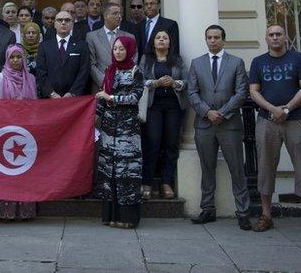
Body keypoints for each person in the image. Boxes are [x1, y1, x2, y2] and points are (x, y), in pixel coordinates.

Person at [248, 25, 301, 238]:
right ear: (266, 39)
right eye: (271, 35)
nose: (275, 38)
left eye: (278, 34)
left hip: (295, 120)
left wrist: (286, 108)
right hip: (266, 120)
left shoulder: (298, 59)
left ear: (285, 37)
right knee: (265, 166)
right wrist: (273, 109)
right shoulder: (258, 62)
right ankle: (266, 215)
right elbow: (253, 91)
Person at [188, 25, 250, 229]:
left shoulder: (236, 63)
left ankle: (242, 211)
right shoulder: (197, 63)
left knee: (237, 168)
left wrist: (222, 113)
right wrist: (207, 112)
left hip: (229, 124)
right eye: (209, 37)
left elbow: (241, 93)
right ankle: (207, 209)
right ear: (205, 40)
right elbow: (192, 93)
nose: (213, 41)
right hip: (205, 124)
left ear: (224, 39)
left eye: (216, 37)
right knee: (207, 168)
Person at [94, 36, 144, 228]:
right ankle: (112, 216)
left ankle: (128, 218)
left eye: (122, 49)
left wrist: (111, 97)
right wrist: (93, 118)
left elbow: (134, 97)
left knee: (127, 171)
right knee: (110, 171)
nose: (118, 52)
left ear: (130, 50)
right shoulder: (110, 70)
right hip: (108, 129)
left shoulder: (135, 70)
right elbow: (101, 99)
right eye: (115, 49)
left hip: (128, 129)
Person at [0, 44, 38, 220]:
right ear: (7, 59)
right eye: (12, 57)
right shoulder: (0, 78)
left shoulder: (31, 78)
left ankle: (25, 212)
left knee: (24, 170)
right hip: (6, 130)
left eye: (19, 57)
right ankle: (4, 212)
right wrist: (10, 122)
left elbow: (34, 105)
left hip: (26, 131)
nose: (16, 61)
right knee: (6, 170)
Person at [140, 29, 186, 201]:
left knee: (171, 144)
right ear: (153, 42)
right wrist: (154, 83)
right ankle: (147, 182)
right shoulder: (147, 59)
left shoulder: (177, 60)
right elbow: (138, 79)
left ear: (169, 42)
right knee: (152, 143)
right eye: (158, 38)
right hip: (153, 107)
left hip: (173, 107)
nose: (161, 40)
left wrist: (175, 82)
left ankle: (166, 182)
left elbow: (187, 80)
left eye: (165, 38)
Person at [35, 9, 90, 98]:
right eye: (60, 20)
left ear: (72, 24)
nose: (63, 23)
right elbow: (41, 71)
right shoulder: (44, 46)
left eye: (67, 20)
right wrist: (51, 93)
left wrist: (72, 92)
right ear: (55, 24)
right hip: (50, 99)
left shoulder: (82, 45)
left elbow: (84, 72)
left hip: (74, 98)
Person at [87, 3, 134, 93]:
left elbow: (132, 61)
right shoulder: (92, 37)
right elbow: (90, 64)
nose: (119, 16)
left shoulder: (130, 37)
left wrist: (121, 81)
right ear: (105, 15)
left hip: (124, 88)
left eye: (120, 13)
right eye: (115, 13)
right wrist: (106, 81)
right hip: (100, 87)